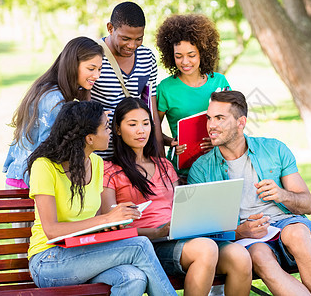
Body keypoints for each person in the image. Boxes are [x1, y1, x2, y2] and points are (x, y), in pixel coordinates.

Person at [188, 91, 311, 296]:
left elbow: (307, 205)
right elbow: (202, 229)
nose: (211, 125)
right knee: (258, 256)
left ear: (241, 122)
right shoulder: (202, 169)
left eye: (219, 118)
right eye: (209, 118)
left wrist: (282, 195)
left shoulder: (274, 149)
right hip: (247, 238)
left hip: (286, 223)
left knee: (298, 234)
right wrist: (241, 231)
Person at [101, 97, 252, 296]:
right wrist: (157, 232)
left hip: (182, 237)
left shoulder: (165, 165)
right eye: (133, 124)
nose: (141, 130)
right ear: (118, 129)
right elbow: (112, 228)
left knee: (239, 256)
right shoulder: (110, 170)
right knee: (205, 249)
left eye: (146, 124)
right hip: (148, 246)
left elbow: (183, 206)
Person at [26, 101, 176, 296]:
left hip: (86, 251)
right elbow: (52, 231)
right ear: (89, 138)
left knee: (133, 278)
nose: (110, 132)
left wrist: (115, 220)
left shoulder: (96, 163)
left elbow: (93, 221)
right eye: (106, 127)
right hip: (49, 260)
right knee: (139, 245)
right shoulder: (44, 166)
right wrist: (107, 218)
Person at [3, 36, 103, 188]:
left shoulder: (53, 90)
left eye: (99, 69)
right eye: (91, 69)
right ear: (73, 64)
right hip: (28, 185)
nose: (97, 75)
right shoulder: (54, 99)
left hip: (27, 179)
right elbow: (50, 149)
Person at [156, 14, 230, 181]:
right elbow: (153, 130)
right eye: (178, 56)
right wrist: (171, 142)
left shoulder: (219, 81)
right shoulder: (165, 89)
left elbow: (232, 120)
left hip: (218, 165)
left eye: (191, 55)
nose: (185, 62)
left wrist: (219, 140)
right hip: (182, 171)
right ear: (170, 55)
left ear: (202, 53)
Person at [91, 1, 163, 158]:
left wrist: (159, 156)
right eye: (125, 38)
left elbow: (151, 109)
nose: (132, 45)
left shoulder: (147, 58)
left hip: (134, 155)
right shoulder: (92, 57)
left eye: (138, 39)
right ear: (110, 28)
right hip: (101, 155)